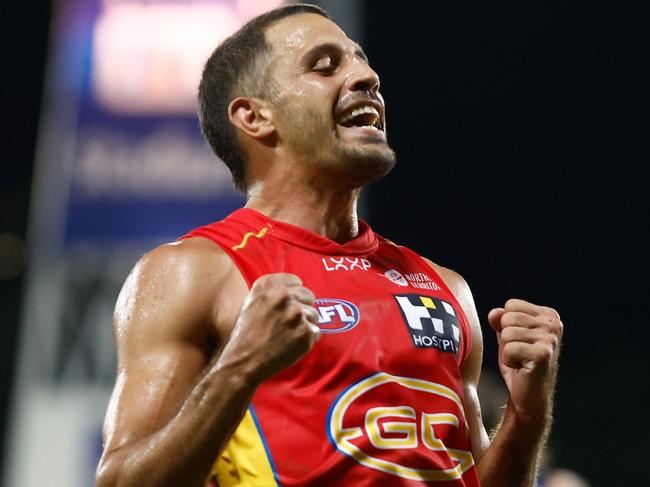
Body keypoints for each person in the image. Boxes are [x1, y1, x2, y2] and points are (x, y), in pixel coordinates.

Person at [95, 4, 563, 486]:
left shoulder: (445, 289)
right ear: (254, 116)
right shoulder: (195, 272)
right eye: (325, 65)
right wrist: (240, 367)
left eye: (361, 61)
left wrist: (526, 417)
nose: (367, 76)